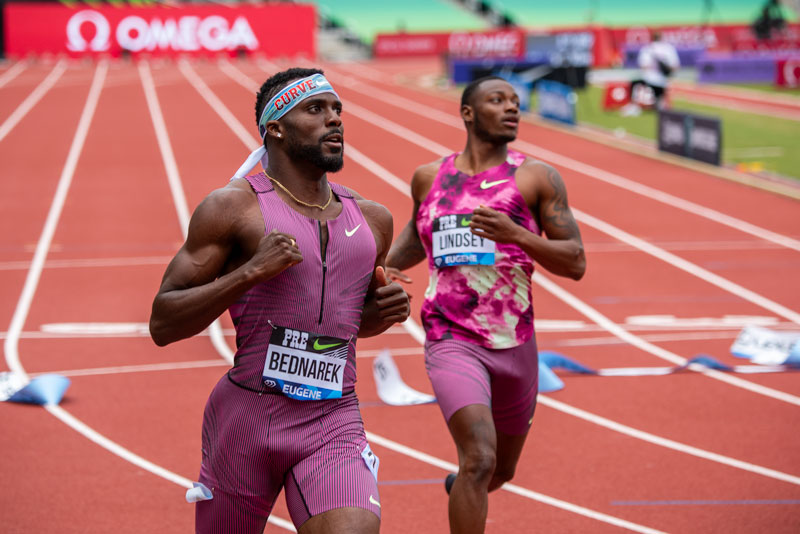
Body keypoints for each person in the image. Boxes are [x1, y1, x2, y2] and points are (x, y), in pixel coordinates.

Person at [149, 67, 410, 534]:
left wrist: (382, 314)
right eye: (316, 110)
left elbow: (349, 323)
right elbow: (163, 322)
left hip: (333, 417)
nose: (335, 121)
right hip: (247, 420)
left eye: (337, 111)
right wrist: (250, 273)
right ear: (275, 127)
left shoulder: (373, 220)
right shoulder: (233, 208)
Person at [385, 76, 586, 534]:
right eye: (498, 100)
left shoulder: (535, 177)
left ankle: (465, 486)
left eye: (515, 101)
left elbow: (575, 262)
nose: (512, 108)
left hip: (515, 341)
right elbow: (420, 234)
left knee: (501, 471)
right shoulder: (428, 178)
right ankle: (469, 481)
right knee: (479, 458)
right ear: (469, 113)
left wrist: (516, 233)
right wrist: (387, 267)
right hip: (451, 338)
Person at [626, 31, 680, 114]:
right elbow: (675, 66)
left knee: (635, 82)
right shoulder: (669, 49)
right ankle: (660, 105)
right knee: (659, 103)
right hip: (663, 82)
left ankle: (634, 105)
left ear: (652, 38)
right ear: (661, 38)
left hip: (649, 79)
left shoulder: (648, 48)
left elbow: (643, 66)